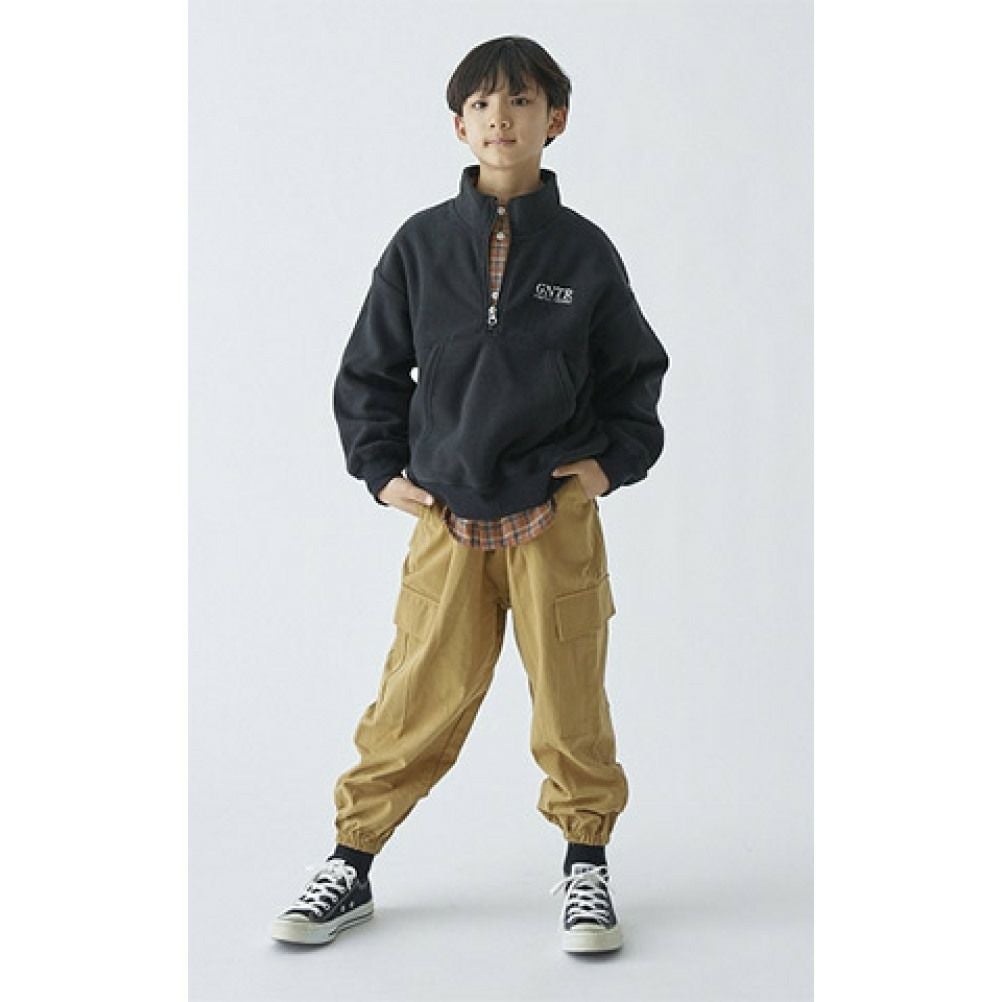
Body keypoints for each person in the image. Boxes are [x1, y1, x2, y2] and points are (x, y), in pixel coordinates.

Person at [271, 35, 670, 955]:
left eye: (521, 102)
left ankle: (585, 865)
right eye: (483, 104)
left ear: (553, 120)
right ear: (459, 124)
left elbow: (636, 373)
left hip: (554, 519)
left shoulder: (584, 251)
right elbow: (369, 371)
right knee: (414, 697)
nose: (502, 118)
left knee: (571, 702)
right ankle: (351, 862)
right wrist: (380, 471)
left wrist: (610, 464)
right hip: (446, 517)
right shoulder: (420, 245)